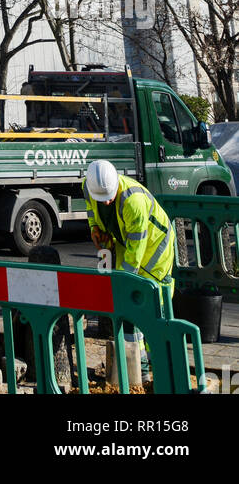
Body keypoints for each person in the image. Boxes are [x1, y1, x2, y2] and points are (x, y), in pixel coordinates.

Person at [83, 159, 175, 378]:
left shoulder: (134, 202)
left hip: (155, 249)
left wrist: (124, 284)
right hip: (126, 243)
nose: (105, 203)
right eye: (101, 199)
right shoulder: (89, 187)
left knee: (151, 304)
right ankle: (138, 372)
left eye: (108, 198)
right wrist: (95, 228)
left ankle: (160, 366)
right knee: (129, 308)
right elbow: (91, 212)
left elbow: (136, 252)